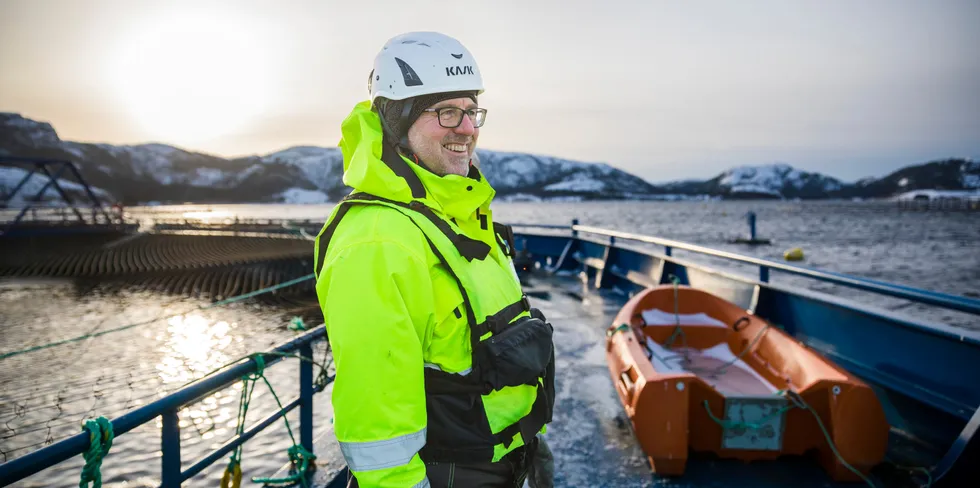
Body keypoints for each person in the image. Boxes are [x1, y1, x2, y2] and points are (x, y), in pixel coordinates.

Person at [313, 32, 556, 488]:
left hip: (506, 460)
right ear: (396, 120)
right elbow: (378, 425)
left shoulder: (457, 214)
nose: (467, 128)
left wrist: (529, 446)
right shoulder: (378, 243)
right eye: (446, 112)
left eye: (471, 110)